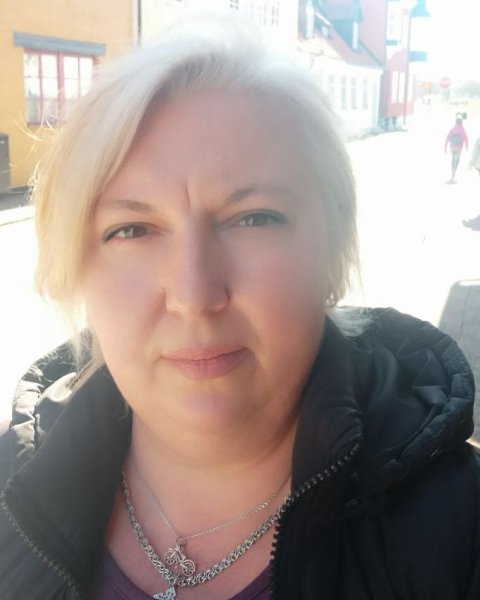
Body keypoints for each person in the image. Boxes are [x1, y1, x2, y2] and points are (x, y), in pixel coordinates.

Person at [1, 17, 480, 600]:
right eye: (131, 229)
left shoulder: (458, 535)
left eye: (254, 218)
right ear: (76, 268)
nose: (195, 294)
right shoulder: (10, 485)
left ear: (333, 253)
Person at [444, 115, 469, 183]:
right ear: (461, 122)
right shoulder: (462, 129)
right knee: (457, 160)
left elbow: (447, 137)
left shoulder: (453, 129)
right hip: (458, 148)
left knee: (453, 159)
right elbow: (465, 138)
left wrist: (445, 147)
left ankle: (452, 172)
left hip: (452, 147)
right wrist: (467, 146)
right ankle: (454, 172)